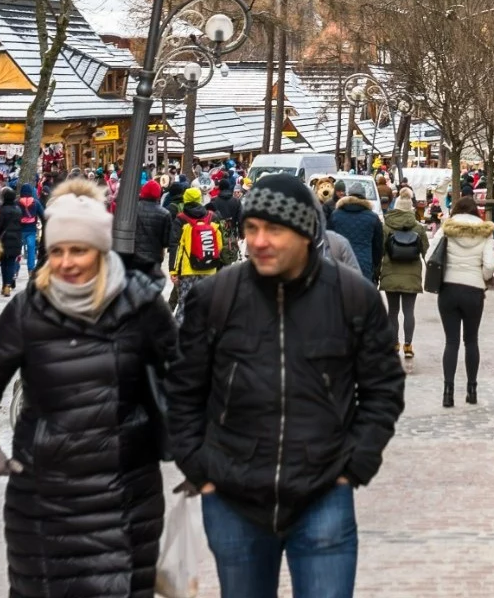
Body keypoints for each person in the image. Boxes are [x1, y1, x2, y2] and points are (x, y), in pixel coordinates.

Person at [168, 174, 405, 598]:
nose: (259, 241)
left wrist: (356, 464)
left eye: (274, 229)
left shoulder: (353, 298)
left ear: (306, 232)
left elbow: (383, 388)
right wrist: (200, 470)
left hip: (322, 493)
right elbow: (183, 391)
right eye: (252, 229)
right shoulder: (215, 298)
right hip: (233, 497)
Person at [0, 179, 178, 598]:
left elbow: (182, 379)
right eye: (57, 250)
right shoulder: (29, 308)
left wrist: (196, 448)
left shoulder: (142, 305)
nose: (66, 262)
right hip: (41, 498)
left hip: (124, 496)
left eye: (78, 250)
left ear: (101, 249)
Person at [429, 193, 494, 406]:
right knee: (471, 340)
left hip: (448, 289)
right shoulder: (485, 233)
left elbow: (429, 256)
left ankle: (448, 392)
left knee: (451, 341)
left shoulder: (446, 230)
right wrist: (481, 277)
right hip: (473, 291)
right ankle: (472, 390)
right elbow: (489, 266)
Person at [170, 186, 228, 325]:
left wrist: (173, 271)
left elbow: (175, 246)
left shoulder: (181, 218)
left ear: (185, 199)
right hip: (209, 268)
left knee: (184, 304)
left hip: (187, 270)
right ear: (199, 199)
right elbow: (220, 244)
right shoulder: (212, 217)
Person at [379, 187, 424, 363]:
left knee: (393, 312)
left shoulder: (386, 226)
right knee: (409, 312)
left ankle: (394, 344)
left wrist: (377, 273)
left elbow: (380, 251)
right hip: (412, 275)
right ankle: (408, 345)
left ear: (396, 207)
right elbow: (426, 250)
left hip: (391, 273)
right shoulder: (418, 228)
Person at [328, 184, 386, 289]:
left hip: (340, 264)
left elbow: (328, 241)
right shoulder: (372, 217)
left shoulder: (335, 215)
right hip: (364, 264)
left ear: (348, 196)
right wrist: (374, 265)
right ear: (364, 198)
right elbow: (378, 246)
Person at [128, 180, 173, 281]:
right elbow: (166, 241)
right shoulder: (165, 214)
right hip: (154, 259)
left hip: (133, 256)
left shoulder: (132, 209)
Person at [0, 188, 25, 297]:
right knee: (11, 263)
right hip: (16, 238)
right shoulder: (18, 209)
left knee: (4, 263)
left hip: (4, 239)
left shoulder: (3, 210)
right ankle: (8, 284)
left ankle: (5, 285)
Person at [17, 186, 42, 274]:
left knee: (17, 250)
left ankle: (16, 269)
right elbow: (43, 215)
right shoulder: (36, 202)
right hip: (31, 229)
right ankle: (30, 269)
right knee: (31, 250)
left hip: (19, 230)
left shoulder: (17, 202)